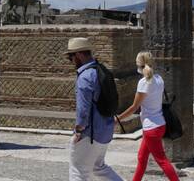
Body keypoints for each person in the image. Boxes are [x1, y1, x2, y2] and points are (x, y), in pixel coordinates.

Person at [66, 37, 123, 181]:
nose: (71, 61)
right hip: (105, 130)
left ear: (78, 55)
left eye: (70, 57)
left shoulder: (85, 76)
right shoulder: (101, 70)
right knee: (99, 167)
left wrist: (78, 131)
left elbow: (83, 110)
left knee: (78, 171)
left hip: (89, 134)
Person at [117, 52, 179, 181]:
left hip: (151, 128)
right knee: (142, 157)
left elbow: (134, 107)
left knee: (162, 160)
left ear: (139, 65)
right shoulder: (159, 79)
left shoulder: (144, 82)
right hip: (158, 124)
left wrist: (118, 118)